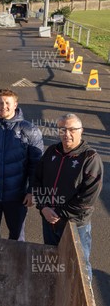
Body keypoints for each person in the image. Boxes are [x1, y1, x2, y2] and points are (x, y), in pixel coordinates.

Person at [33, 113, 103, 282]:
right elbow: (37, 179)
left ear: (81, 131)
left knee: (79, 264)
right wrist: (43, 208)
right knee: (51, 259)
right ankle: (54, 290)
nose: (67, 134)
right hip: (49, 220)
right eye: (62, 129)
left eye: (72, 129)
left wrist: (58, 213)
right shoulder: (51, 151)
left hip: (74, 224)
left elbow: (87, 199)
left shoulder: (90, 158)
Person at [0, 89, 44, 241]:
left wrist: (32, 191)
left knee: (17, 236)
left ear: (15, 105)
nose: (3, 106)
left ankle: (16, 265)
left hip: (17, 196)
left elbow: (36, 165)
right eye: (0, 102)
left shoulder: (30, 130)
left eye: (8, 103)